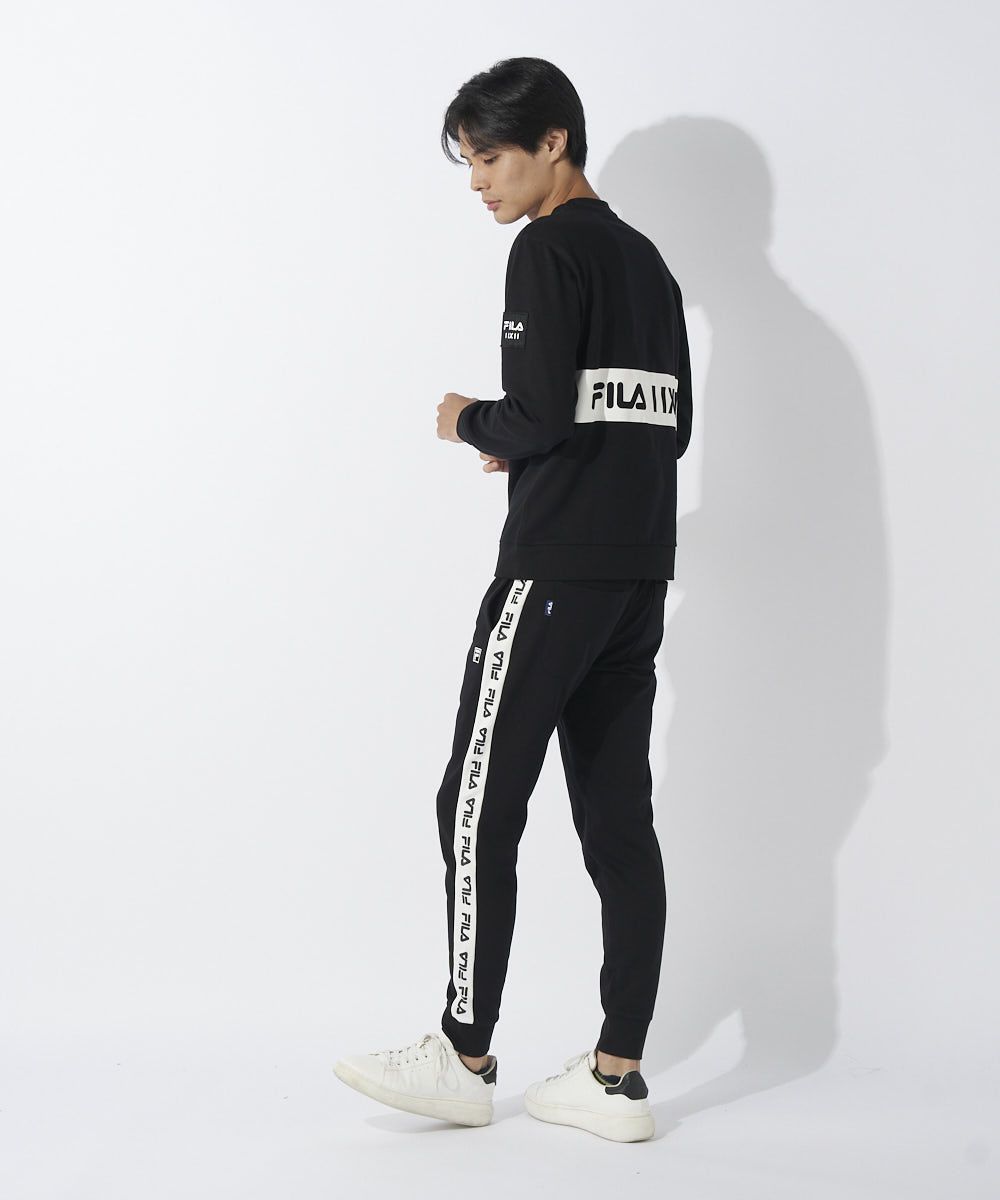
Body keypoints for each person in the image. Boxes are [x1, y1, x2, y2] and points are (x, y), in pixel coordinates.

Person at [333, 56, 692, 1143]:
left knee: (476, 802)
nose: (478, 182)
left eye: (490, 157)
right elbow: (664, 425)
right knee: (618, 822)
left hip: (551, 574)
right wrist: (537, 437)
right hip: (636, 577)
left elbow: (535, 415)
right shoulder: (647, 262)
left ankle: (463, 1051)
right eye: (468, 161)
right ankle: (616, 1076)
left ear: (553, 143)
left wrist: (470, 422)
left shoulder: (547, 248)